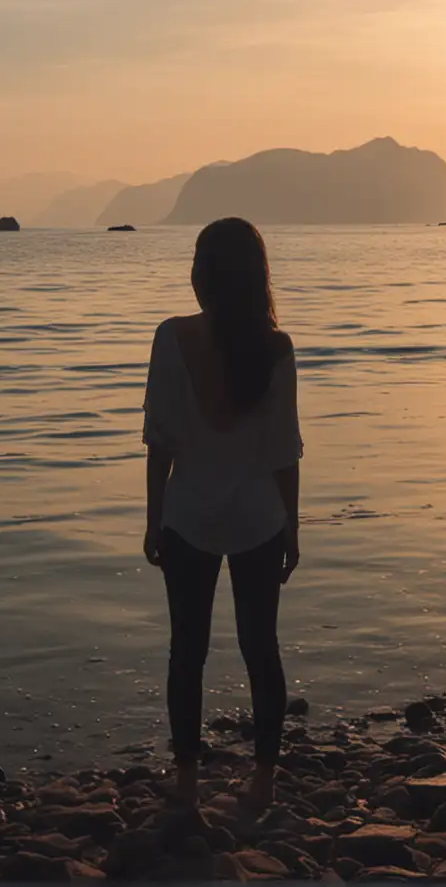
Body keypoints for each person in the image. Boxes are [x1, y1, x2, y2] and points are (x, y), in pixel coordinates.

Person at [140, 216, 302, 809]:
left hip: (189, 518)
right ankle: (263, 775)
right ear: (258, 276)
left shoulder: (171, 336)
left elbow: (161, 440)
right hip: (259, 518)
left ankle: (186, 779)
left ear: (202, 275)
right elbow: (283, 450)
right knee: (263, 648)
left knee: (187, 651)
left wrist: (154, 517)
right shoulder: (275, 347)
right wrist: (293, 523)